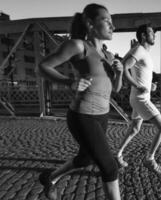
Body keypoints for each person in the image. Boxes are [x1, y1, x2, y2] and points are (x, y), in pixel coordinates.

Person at [38, 4, 123, 200]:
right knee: (109, 167)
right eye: (107, 21)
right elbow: (43, 66)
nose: (113, 27)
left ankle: (49, 178)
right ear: (90, 24)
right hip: (82, 115)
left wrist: (118, 73)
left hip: (102, 115)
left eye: (113, 23)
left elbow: (116, 89)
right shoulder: (78, 46)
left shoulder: (108, 56)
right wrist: (69, 82)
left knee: (85, 158)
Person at [116, 24, 161, 173]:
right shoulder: (139, 50)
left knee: (134, 129)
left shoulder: (141, 51)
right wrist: (137, 86)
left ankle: (117, 155)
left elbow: (136, 71)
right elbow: (123, 67)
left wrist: (149, 85)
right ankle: (149, 159)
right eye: (152, 32)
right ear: (144, 36)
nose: (155, 35)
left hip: (139, 96)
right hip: (140, 98)